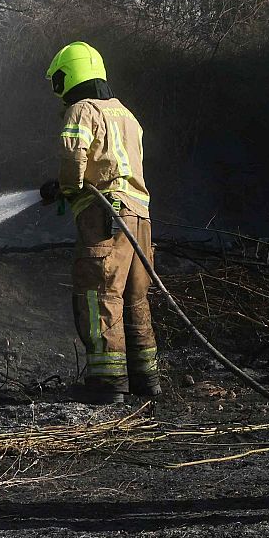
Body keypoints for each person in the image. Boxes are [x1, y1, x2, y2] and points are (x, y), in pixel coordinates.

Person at [40, 42, 158, 405]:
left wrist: (63, 187)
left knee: (99, 295)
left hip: (105, 215)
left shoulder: (81, 110)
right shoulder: (127, 114)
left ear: (68, 75)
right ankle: (146, 379)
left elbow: (74, 159)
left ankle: (108, 384)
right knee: (135, 298)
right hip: (139, 218)